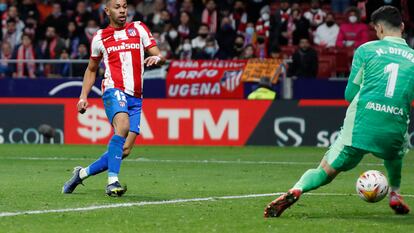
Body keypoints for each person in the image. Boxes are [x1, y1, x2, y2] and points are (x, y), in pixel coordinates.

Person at [264, 6, 413, 218]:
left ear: (378, 28)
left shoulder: (366, 50)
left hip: (360, 126)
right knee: (395, 154)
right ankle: (395, 193)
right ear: (402, 27)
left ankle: (297, 189)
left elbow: (350, 94)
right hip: (393, 127)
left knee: (325, 171)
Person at [62, 0, 165, 197]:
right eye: (117, 7)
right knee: (123, 127)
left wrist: (158, 58)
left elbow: (159, 55)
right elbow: (92, 69)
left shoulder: (139, 28)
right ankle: (112, 182)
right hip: (113, 89)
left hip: (136, 96)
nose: (122, 10)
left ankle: (80, 174)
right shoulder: (100, 37)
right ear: (107, 11)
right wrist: (83, 96)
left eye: (125, 6)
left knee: (124, 150)